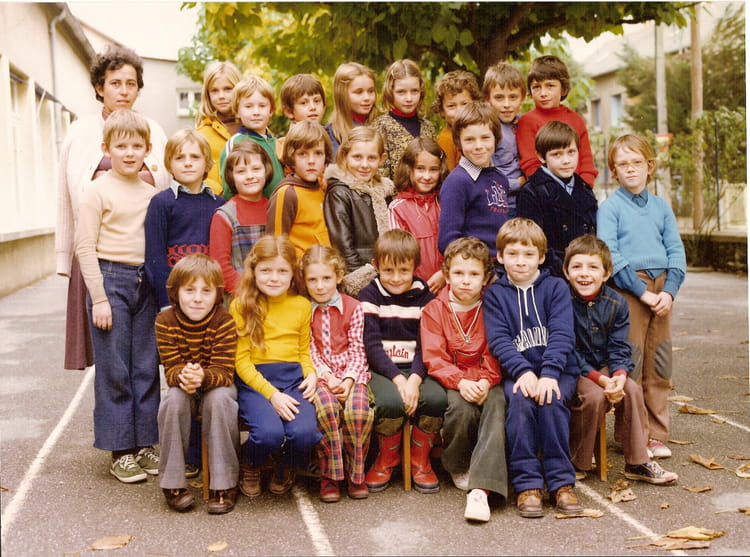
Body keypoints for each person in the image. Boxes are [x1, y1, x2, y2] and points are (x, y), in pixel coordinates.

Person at [56, 44, 169, 371]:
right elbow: (65, 195)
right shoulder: (80, 131)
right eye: (115, 83)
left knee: (143, 351)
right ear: (99, 87)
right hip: (96, 252)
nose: (123, 91)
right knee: (108, 349)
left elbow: (165, 184)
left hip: (141, 250)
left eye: (131, 84)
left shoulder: (154, 130)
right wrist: (64, 255)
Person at [74, 109, 161, 483]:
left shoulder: (152, 194)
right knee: (115, 369)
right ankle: (121, 450)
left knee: (145, 366)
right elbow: (84, 247)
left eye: (136, 146)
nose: (129, 153)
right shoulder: (96, 191)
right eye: (121, 146)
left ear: (148, 149)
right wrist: (99, 298)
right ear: (106, 148)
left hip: (145, 284)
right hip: (110, 281)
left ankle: (144, 444)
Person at [483, 218, 582, 518]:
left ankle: (561, 482)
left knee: (551, 400)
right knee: (520, 403)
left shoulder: (556, 287)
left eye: (528, 254)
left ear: (541, 257)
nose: (520, 261)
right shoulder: (495, 294)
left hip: (559, 370)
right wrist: (523, 372)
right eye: (512, 254)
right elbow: (499, 340)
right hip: (518, 372)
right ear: (500, 257)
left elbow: (563, 333)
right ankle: (527, 484)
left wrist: (549, 373)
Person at [597, 134, 686, 459]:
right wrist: (643, 293)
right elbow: (610, 253)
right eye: (623, 164)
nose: (631, 169)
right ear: (614, 171)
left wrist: (669, 292)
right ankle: (631, 435)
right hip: (629, 290)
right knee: (630, 362)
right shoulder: (610, 208)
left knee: (660, 361)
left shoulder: (661, 207)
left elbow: (676, 250)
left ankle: (657, 435)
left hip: (662, 291)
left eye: (637, 162)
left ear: (650, 166)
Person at [563, 235, 679, 485]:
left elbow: (619, 347)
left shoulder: (617, 303)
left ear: (607, 273)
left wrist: (618, 376)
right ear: (566, 271)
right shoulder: (561, 301)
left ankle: (637, 462)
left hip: (605, 368)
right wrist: (600, 380)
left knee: (631, 389)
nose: (584, 274)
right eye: (577, 267)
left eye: (593, 267)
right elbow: (568, 351)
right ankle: (577, 461)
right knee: (594, 396)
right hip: (574, 369)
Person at [421, 237, 506, 523]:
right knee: (460, 408)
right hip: (452, 378)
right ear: (446, 275)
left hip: (485, 378)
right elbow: (434, 357)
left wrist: (486, 380)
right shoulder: (434, 309)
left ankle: (481, 488)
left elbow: (496, 348)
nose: (466, 281)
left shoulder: (493, 305)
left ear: (485, 278)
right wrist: (460, 382)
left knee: (497, 404)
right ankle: (457, 465)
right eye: (458, 273)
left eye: (474, 274)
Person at [230, 235, 321, 498]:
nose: (274, 278)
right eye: (266, 270)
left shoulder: (301, 305)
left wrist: (311, 374)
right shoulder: (241, 305)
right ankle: (252, 462)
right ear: (254, 270)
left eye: (282, 271)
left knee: (305, 434)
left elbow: (303, 351)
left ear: (293, 274)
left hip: (293, 380)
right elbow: (241, 361)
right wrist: (272, 395)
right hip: (256, 383)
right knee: (268, 434)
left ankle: (285, 464)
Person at [359, 229, 448, 494]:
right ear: (376, 266)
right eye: (388, 271)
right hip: (383, 370)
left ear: (415, 267)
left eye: (403, 271)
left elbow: (426, 345)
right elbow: (372, 347)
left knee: (436, 399)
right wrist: (399, 380)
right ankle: (387, 458)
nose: (396, 278)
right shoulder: (369, 295)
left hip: (417, 368)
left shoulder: (425, 297)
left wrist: (415, 380)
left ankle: (420, 460)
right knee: (390, 402)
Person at [155, 254, 240, 514]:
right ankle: (172, 483)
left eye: (206, 291)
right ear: (175, 292)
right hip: (184, 385)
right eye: (189, 290)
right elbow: (171, 368)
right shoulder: (164, 321)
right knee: (172, 400)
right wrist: (185, 376)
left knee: (220, 400)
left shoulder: (224, 320)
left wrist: (202, 376)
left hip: (217, 384)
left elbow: (224, 371)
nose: (198, 298)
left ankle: (224, 483)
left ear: (218, 294)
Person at [300, 245, 374, 503]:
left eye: (326, 278)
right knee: (326, 410)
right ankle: (329, 475)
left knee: (358, 412)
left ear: (339, 276)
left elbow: (358, 348)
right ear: (304, 281)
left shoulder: (354, 307)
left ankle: (356, 473)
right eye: (312, 279)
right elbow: (309, 349)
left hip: (352, 374)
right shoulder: (303, 310)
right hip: (321, 375)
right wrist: (327, 378)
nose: (320, 286)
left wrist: (349, 379)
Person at [145, 130, 225, 311]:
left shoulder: (219, 204)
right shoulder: (161, 203)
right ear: (169, 164)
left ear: (207, 163)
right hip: (173, 299)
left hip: (209, 297)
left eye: (195, 157)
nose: (188, 163)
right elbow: (155, 257)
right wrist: (166, 302)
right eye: (179, 158)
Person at [517, 121, 597, 278]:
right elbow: (534, 243)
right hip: (553, 274)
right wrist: (566, 272)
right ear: (541, 157)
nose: (566, 160)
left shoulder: (584, 189)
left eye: (571, 152)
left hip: (585, 272)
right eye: (557, 154)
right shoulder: (532, 191)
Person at [324, 127, 395, 296]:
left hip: (386, 277)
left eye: (371, 158)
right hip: (360, 282)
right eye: (357, 157)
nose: (364, 165)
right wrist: (360, 283)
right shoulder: (340, 193)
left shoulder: (383, 191)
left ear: (382, 159)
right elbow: (343, 246)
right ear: (344, 156)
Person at [438, 101, 510, 258]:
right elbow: (447, 241)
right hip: (473, 265)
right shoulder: (457, 182)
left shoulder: (501, 179)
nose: (478, 146)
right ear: (459, 142)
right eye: (469, 140)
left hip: (503, 262)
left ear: (496, 139)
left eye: (485, 138)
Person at [516, 55, 598, 187]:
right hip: (545, 191)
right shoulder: (527, 121)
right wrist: (553, 191)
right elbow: (531, 164)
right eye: (536, 87)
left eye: (550, 86)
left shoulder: (576, 120)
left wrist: (585, 188)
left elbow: (586, 161)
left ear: (563, 89)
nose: (543, 93)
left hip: (578, 189)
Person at [209, 143, 273, 297]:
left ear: (266, 170)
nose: (250, 176)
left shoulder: (274, 209)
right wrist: (250, 294)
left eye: (256, 169)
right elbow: (221, 267)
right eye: (241, 171)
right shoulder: (224, 216)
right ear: (231, 176)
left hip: (274, 292)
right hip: (240, 297)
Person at [388, 137, 448, 294]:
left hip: (448, 283)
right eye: (420, 169)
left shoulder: (445, 202)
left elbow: (458, 244)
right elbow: (398, 254)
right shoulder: (397, 208)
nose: (427, 176)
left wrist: (445, 272)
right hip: (414, 289)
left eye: (433, 170)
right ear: (409, 169)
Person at [267, 121, 332, 258]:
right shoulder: (287, 193)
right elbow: (276, 245)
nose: (311, 161)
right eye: (303, 154)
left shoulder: (323, 188)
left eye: (318, 153)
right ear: (292, 158)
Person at [219, 75, 284, 199]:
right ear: (237, 110)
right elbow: (229, 190)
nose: (256, 112)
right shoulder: (235, 143)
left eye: (262, 106)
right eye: (248, 106)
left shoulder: (277, 143)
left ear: (271, 110)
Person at [374, 59, 436, 179]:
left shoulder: (428, 127)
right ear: (390, 92)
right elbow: (380, 175)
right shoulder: (381, 127)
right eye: (401, 92)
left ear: (421, 91)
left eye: (414, 91)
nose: (409, 98)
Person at [483, 62, 526, 215]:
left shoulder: (524, 123)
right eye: (499, 98)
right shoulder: (487, 130)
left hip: (525, 203)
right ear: (487, 99)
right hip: (501, 206)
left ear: (523, 98)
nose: (507, 104)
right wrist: (519, 183)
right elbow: (484, 177)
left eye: (513, 97)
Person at [195, 61, 242, 195]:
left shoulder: (255, 128)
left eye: (228, 89)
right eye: (215, 90)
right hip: (217, 203)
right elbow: (194, 175)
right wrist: (220, 194)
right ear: (207, 95)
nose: (221, 96)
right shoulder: (200, 135)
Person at [432, 70, 481, 171]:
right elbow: (447, 176)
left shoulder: (480, 132)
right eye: (451, 106)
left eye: (465, 104)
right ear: (441, 111)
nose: (460, 111)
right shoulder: (446, 140)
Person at [325, 62, 377, 157]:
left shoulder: (380, 126)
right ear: (342, 94)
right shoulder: (331, 135)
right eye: (359, 92)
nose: (367, 98)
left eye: (371, 91)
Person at [278, 73, 327, 161]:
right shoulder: (283, 146)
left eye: (317, 101)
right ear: (289, 111)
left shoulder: (330, 137)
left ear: (324, 106)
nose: (313, 107)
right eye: (303, 103)